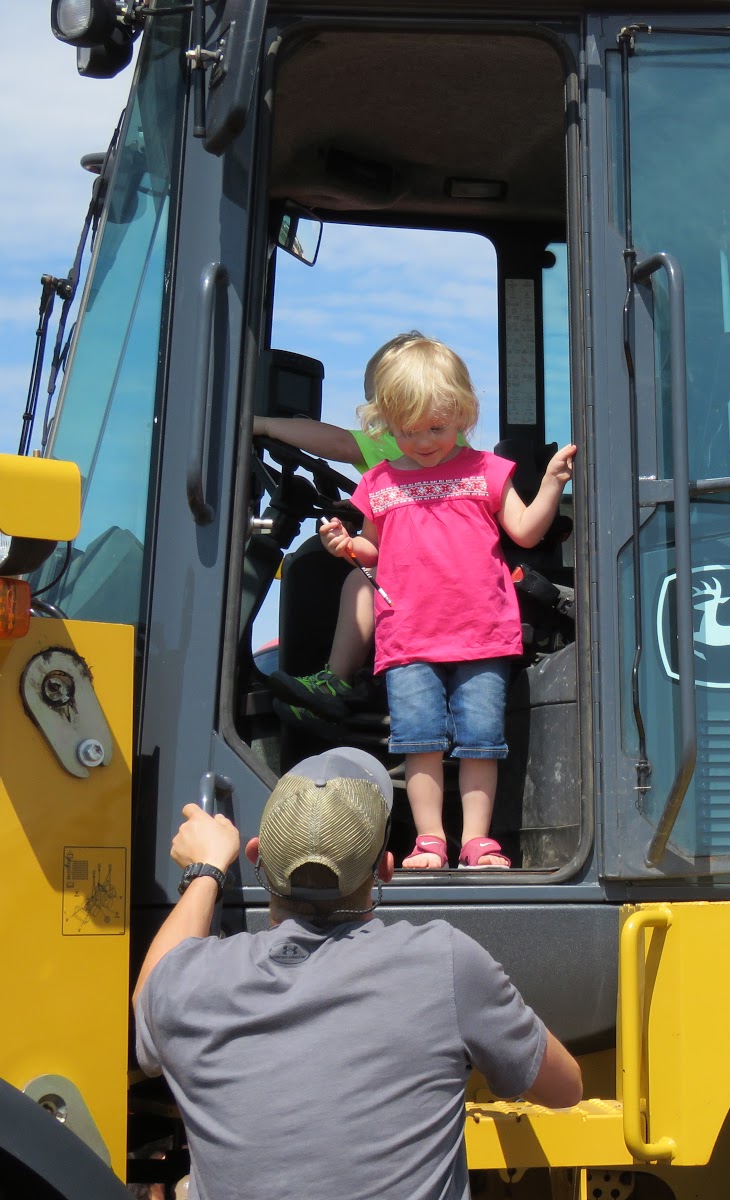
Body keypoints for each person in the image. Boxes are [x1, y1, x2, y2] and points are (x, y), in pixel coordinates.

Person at [132, 748, 582, 1200]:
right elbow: (565, 1089)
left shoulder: (190, 982)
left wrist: (206, 870)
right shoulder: (442, 961)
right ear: (385, 866)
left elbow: (151, 999)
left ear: (255, 856)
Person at [320, 336, 576, 869]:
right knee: (420, 741)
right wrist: (347, 547)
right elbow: (376, 546)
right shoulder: (380, 483)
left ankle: (478, 840)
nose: (423, 442)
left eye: (435, 428)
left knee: (482, 739)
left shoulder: (485, 471)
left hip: (481, 633)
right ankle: (431, 839)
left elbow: (525, 530)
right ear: (386, 426)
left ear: (462, 413)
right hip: (409, 637)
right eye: (406, 432)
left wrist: (550, 484)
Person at [254, 330, 442, 726]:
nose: (380, 420)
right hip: (436, 561)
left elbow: (339, 444)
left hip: (424, 570)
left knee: (358, 581)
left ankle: (336, 682)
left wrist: (265, 425)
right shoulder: (441, 443)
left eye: (382, 404)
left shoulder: (407, 440)